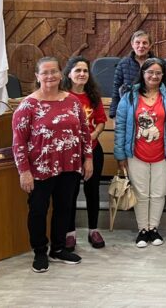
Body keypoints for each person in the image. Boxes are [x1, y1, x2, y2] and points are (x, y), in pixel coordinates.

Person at [12, 56, 94, 273]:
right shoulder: (28, 105)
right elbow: (18, 142)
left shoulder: (73, 102)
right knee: (38, 210)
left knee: (64, 208)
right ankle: (40, 251)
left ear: (61, 74)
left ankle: (58, 249)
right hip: (40, 169)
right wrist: (24, 172)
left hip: (70, 166)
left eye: (54, 72)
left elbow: (85, 133)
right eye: (45, 73)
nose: (50, 76)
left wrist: (88, 159)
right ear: (37, 77)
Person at [114, 57, 166, 248]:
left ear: (163, 75)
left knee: (159, 193)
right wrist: (120, 155)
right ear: (143, 74)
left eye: (158, 73)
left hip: (163, 154)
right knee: (142, 193)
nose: (154, 76)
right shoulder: (129, 96)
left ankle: (154, 228)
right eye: (150, 72)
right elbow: (120, 126)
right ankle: (142, 230)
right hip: (136, 154)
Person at [61, 56, 107, 250]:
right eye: (78, 70)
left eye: (85, 71)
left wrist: (92, 136)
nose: (82, 74)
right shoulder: (62, 96)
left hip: (93, 150)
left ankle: (93, 230)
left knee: (92, 191)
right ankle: (69, 233)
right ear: (69, 74)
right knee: (69, 193)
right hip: (69, 153)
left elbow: (100, 121)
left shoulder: (93, 96)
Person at [110, 30, 162, 118]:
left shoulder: (160, 64)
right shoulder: (123, 64)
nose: (141, 46)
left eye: (145, 43)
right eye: (137, 42)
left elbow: (165, 89)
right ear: (132, 44)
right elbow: (116, 90)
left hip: (153, 111)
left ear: (150, 46)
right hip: (128, 111)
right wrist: (114, 114)